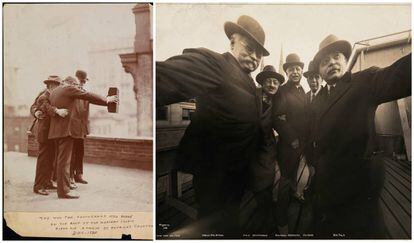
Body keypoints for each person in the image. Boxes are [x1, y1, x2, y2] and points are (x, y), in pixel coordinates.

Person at [156, 15, 270, 236]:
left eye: (260, 53)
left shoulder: (250, 82)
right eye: (250, 48)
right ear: (232, 42)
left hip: (238, 173)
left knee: (230, 224)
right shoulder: (215, 64)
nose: (255, 57)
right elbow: (161, 78)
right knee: (214, 228)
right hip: (215, 177)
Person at [308, 34, 411, 238]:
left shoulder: (364, 82)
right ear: (319, 70)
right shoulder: (317, 99)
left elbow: (401, 73)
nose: (332, 63)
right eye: (325, 61)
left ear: (345, 61)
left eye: (336, 57)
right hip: (326, 186)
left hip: (358, 190)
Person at [48, 76, 118, 199]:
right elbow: (87, 95)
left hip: (56, 131)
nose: (78, 88)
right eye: (76, 86)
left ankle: (64, 189)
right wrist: (107, 100)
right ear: (71, 84)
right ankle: (64, 191)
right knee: (64, 162)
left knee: (61, 161)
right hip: (66, 131)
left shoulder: (54, 92)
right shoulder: (69, 88)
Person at [243, 65, 285, 233]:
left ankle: (267, 212)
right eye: (269, 81)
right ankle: (265, 212)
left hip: (267, 148)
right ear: (262, 83)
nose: (272, 85)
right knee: (255, 181)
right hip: (249, 147)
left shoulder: (278, 101)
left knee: (266, 180)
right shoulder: (252, 96)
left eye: (275, 82)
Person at [272, 53, 308, 233]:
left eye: (298, 68)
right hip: (288, 144)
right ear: (286, 71)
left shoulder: (301, 89)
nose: (295, 71)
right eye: (291, 69)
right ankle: (281, 219)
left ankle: (295, 193)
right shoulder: (282, 90)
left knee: (294, 174)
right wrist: (292, 138)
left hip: (301, 143)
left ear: (301, 70)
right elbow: (278, 118)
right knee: (285, 180)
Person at [30, 75, 68, 195]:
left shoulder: (53, 95)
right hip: (45, 133)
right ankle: (39, 186)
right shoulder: (44, 96)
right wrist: (57, 111)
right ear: (51, 85)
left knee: (51, 159)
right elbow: (45, 107)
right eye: (58, 85)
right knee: (44, 160)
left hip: (52, 133)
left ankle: (47, 182)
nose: (59, 88)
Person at [69, 70, 90, 187]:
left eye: (84, 82)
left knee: (80, 152)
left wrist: (86, 128)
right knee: (71, 153)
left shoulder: (85, 93)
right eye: (81, 81)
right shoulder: (72, 91)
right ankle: (70, 176)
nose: (83, 83)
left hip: (81, 128)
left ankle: (79, 175)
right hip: (72, 128)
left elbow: (86, 112)